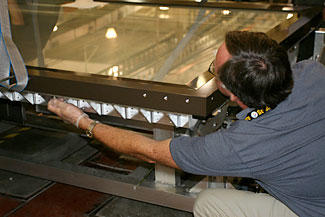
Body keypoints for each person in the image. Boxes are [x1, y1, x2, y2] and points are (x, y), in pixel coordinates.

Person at [48, 31, 325, 217]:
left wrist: (83, 122)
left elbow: (150, 151)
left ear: (230, 92)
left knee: (208, 204)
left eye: (214, 71)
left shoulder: (238, 146)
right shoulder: (313, 71)